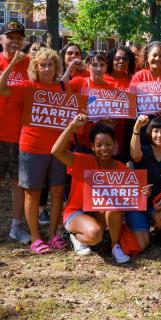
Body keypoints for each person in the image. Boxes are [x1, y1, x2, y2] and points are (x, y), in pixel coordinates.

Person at [0, 48, 68, 254]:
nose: (47, 69)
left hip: (58, 148)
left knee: (57, 191)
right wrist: (12, 63)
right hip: (32, 146)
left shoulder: (65, 87)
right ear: (35, 68)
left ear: (57, 67)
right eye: (42, 65)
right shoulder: (27, 86)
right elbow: (1, 87)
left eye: (51, 65)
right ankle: (36, 238)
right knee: (33, 192)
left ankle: (54, 234)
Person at [51, 114, 132, 263]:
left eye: (108, 144)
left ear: (114, 144)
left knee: (114, 206)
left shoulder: (121, 168)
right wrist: (72, 126)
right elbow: (56, 151)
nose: (104, 148)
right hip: (76, 211)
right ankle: (75, 235)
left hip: (100, 213)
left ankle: (115, 247)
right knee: (95, 235)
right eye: (99, 145)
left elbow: (127, 197)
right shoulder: (80, 160)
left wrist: (142, 192)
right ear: (92, 147)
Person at [127, 115, 161, 249]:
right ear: (150, 132)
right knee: (143, 242)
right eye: (155, 131)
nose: (159, 135)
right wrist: (136, 127)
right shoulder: (143, 151)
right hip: (141, 203)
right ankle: (151, 228)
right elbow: (134, 156)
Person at [0, 21, 31, 244]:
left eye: (19, 38)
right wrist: (12, 64)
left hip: (19, 133)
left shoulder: (29, 64)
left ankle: (16, 227)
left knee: (17, 183)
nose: (14, 41)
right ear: (1, 39)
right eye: (10, 37)